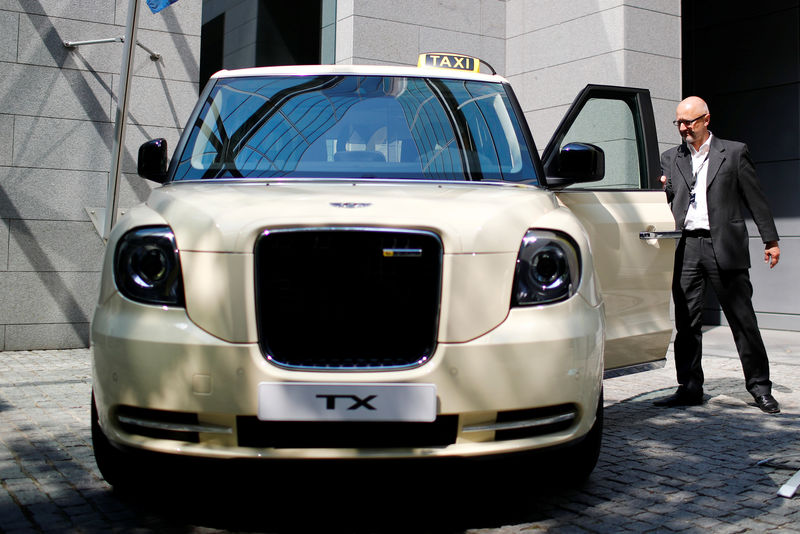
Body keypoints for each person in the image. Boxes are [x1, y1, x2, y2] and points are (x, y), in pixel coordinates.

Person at [656, 96, 781, 414]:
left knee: (743, 320)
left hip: (723, 245)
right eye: (679, 123)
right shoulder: (671, 158)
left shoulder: (734, 153)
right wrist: (663, 189)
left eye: (689, 122)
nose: (683, 128)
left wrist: (770, 240)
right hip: (686, 248)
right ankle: (689, 387)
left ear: (706, 119)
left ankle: (760, 388)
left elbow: (756, 198)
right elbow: (667, 200)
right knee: (687, 322)